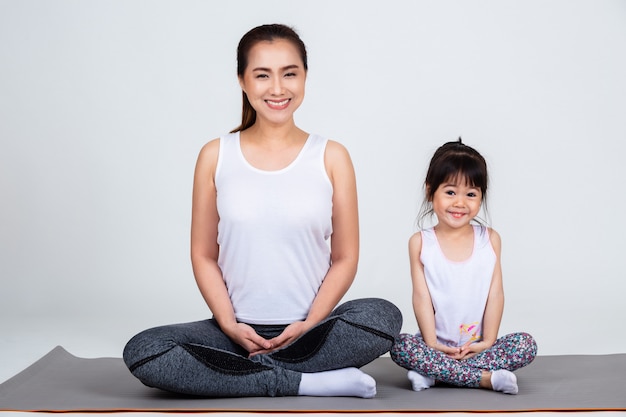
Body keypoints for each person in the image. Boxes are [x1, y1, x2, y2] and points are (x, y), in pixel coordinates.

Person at [123, 23, 402, 398]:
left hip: (312, 334)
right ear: (242, 80)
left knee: (383, 316)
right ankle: (303, 381)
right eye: (262, 75)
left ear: (305, 76)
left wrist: (309, 323)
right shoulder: (214, 155)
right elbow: (204, 254)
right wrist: (228, 323)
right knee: (146, 350)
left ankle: (244, 376)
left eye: (290, 73)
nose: (277, 88)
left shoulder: (332, 156)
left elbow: (345, 257)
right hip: (234, 334)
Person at [390, 139, 537, 395]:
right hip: (434, 346)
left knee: (526, 344)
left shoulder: (490, 239)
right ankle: (484, 378)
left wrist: (489, 341)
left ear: (481, 197)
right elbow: (421, 296)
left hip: (477, 348)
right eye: (450, 192)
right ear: (430, 192)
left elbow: (495, 293)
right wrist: (432, 343)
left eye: (470, 194)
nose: (460, 203)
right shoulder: (420, 243)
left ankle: (436, 375)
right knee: (400, 345)